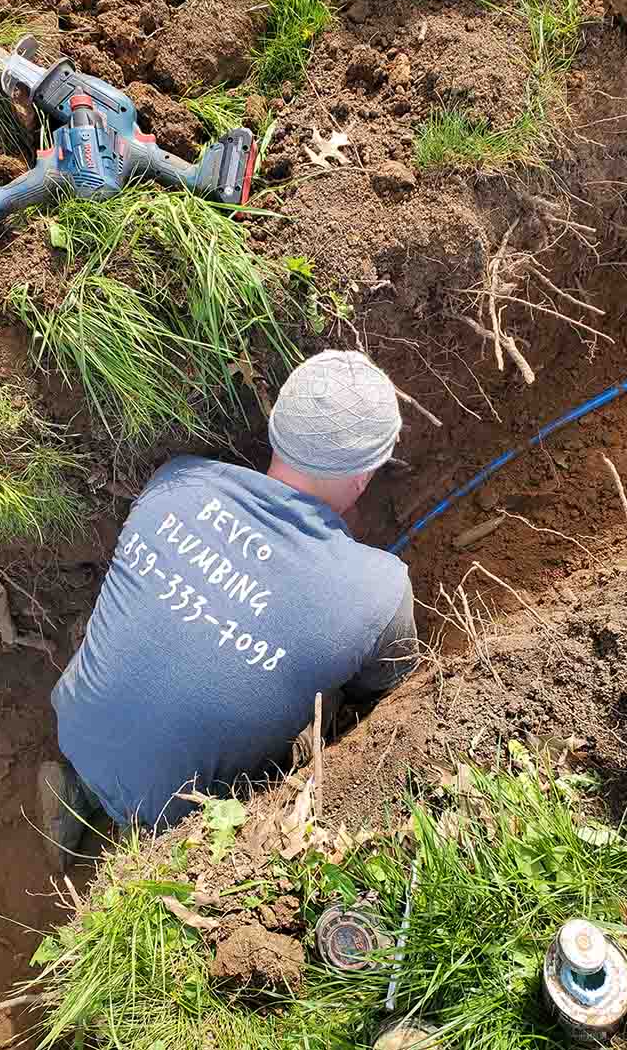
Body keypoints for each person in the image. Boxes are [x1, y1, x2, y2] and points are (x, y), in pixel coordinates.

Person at [40, 350, 418, 866]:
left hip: (78, 725)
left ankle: (77, 793)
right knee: (325, 699)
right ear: (364, 475)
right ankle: (141, 837)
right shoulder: (380, 589)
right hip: (181, 814)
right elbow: (385, 692)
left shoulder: (179, 481)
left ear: (277, 430)